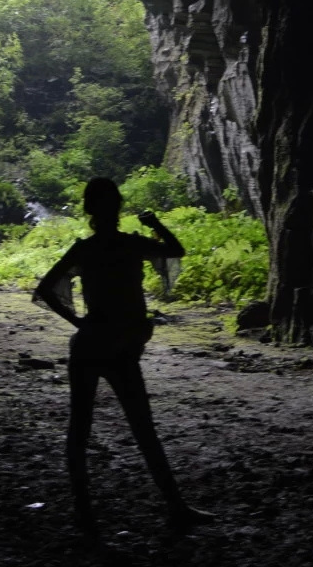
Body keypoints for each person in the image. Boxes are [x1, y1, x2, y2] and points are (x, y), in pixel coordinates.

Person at [33, 178, 216, 533]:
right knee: (143, 428)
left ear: (88, 210)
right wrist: (156, 224)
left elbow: (45, 290)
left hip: (90, 345)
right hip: (120, 347)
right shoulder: (131, 244)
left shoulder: (84, 249)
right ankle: (175, 506)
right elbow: (176, 251)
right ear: (118, 206)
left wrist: (80, 323)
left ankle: (84, 513)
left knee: (80, 430)